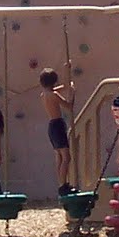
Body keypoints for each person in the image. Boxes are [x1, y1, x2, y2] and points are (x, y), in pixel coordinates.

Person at [39, 66, 74, 195]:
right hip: (58, 124)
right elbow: (68, 106)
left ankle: (62, 183)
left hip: (51, 125)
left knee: (59, 157)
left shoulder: (43, 95)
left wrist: (66, 73)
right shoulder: (54, 95)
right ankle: (62, 185)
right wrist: (72, 93)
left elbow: (59, 88)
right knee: (66, 157)